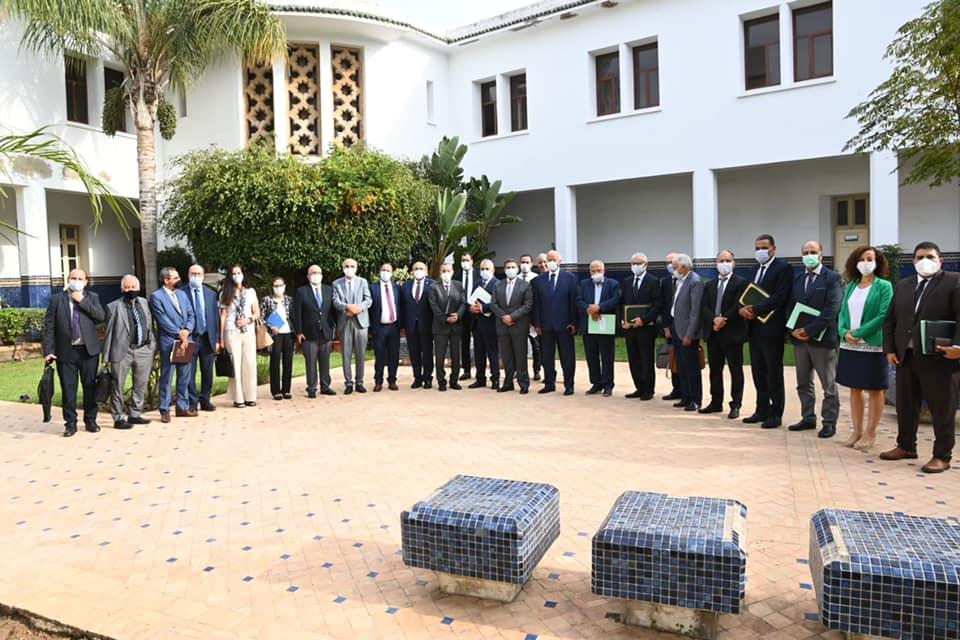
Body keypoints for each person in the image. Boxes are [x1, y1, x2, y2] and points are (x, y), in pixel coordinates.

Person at [881, 241, 960, 474]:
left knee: (942, 408)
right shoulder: (904, 285)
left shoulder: (953, 282)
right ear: (913, 261)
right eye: (920, 257)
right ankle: (906, 446)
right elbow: (890, 320)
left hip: (940, 358)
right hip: (906, 356)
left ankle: (942, 455)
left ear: (940, 260)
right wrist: (890, 349)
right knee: (906, 405)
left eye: (930, 256)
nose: (925, 260)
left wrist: (958, 346)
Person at [836, 246, 893, 450]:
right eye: (861, 259)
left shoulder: (884, 286)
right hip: (850, 345)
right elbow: (842, 312)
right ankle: (857, 430)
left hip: (873, 344)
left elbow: (883, 314)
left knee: (875, 389)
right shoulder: (851, 285)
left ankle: (871, 433)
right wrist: (844, 332)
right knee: (855, 388)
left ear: (877, 262)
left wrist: (858, 334)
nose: (865, 262)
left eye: (869, 259)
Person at [787, 241, 843, 439]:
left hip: (823, 340)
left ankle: (829, 422)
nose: (808, 255)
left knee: (828, 385)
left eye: (813, 252)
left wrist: (810, 330)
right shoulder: (798, 279)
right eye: (805, 252)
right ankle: (808, 417)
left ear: (821, 254)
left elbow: (832, 309)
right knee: (803, 382)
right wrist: (792, 330)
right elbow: (790, 306)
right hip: (800, 341)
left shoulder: (833, 278)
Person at [43, 268, 106, 437]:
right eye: (73, 278)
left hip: (88, 351)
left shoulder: (92, 297)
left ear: (86, 281)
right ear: (68, 280)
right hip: (66, 352)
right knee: (69, 389)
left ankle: (91, 420)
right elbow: (49, 327)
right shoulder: (57, 299)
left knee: (90, 387)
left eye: (80, 278)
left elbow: (100, 316)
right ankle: (70, 423)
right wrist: (48, 351)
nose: (76, 280)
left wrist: (82, 301)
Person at [739, 234, 793, 428]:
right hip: (754, 328)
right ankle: (761, 409)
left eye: (764, 247)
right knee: (758, 371)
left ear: (773, 249)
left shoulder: (783, 268)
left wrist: (755, 309)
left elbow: (780, 296)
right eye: (757, 248)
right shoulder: (754, 269)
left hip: (772, 328)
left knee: (773, 371)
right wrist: (743, 309)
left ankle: (776, 412)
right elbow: (748, 294)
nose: (760, 251)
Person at [699, 251, 748, 419]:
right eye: (721, 260)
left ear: (734, 263)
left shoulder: (741, 283)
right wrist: (714, 319)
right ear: (716, 263)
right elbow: (704, 306)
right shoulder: (710, 285)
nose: (724, 263)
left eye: (728, 260)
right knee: (715, 370)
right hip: (714, 333)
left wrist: (723, 319)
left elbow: (739, 304)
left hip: (732, 332)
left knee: (736, 370)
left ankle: (735, 404)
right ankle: (716, 401)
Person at [102, 275, 154, 430]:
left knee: (141, 384)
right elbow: (109, 333)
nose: (130, 290)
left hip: (144, 349)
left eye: (133, 287)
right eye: (127, 287)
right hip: (122, 351)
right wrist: (106, 357)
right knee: (117, 385)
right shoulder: (113, 307)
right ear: (122, 289)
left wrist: (152, 346)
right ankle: (118, 417)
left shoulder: (144, 303)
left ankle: (135, 414)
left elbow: (149, 325)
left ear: (138, 288)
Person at [149, 267, 195, 423]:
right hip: (169, 341)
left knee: (184, 376)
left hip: (186, 341)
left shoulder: (182, 294)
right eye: (175, 277)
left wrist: (187, 331)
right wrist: (178, 334)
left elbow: (190, 314)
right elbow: (162, 320)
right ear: (166, 280)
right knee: (167, 376)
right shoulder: (156, 297)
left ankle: (182, 407)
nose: (179, 279)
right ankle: (165, 409)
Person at [532, 249, 578, 395]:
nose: (551, 262)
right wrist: (537, 324)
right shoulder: (538, 281)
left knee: (567, 356)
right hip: (545, 326)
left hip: (565, 325)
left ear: (559, 261)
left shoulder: (570, 278)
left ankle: (569, 385)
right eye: (548, 259)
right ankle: (549, 383)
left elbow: (573, 302)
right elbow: (536, 304)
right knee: (547, 356)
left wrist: (574, 322)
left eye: (553, 259)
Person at [620, 252, 662, 400]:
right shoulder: (626, 281)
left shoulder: (653, 281)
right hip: (630, 329)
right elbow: (622, 303)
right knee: (633, 358)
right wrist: (623, 321)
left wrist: (644, 320)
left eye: (639, 263)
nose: (635, 266)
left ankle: (648, 389)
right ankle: (639, 387)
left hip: (646, 328)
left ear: (646, 265)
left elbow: (657, 305)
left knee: (646, 359)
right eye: (633, 263)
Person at [577, 260, 620, 396]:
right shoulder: (584, 284)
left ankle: (608, 384)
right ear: (590, 272)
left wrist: (600, 307)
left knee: (607, 356)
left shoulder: (613, 284)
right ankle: (596, 383)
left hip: (605, 324)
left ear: (604, 270)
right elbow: (578, 300)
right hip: (589, 324)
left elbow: (615, 300)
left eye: (598, 270)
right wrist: (588, 308)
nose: (596, 273)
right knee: (591, 356)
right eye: (593, 271)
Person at [219, 264, 260, 408]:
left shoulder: (250, 292)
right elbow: (223, 316)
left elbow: (256, 313)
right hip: (231, 331)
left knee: (249, 363)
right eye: (234, 273)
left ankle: (250, 396)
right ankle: (238, 398)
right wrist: (221, 338)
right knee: (235, 364)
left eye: (239, 272)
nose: (237, 275)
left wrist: (248, 320)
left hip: (248, 330)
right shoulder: (225, 294)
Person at [293, 265, 336, 398]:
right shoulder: (301, 292)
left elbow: (332, 312)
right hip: (308, 333)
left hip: (325, 332)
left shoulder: (329, 290)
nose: (316, 275)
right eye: (313, 273)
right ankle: (311, 388)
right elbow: (297, 313)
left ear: (322, 275)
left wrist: (333, 328)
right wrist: (299, 331)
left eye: (318, 273)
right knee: (311, 362)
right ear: (308, 276)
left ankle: (325, 386)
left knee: (325, 361)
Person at [492, 259, 534, 394]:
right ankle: (508, 382)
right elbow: (494, 304)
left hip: (518, 325)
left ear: (517, 269)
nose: (510, 269)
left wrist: (513, 317)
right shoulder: (498, 285)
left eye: (513, 267)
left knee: (520, 355)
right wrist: (504, 316)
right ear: (504, 270)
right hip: (502, 326)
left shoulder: (525, 285)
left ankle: (523, 383)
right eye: (508, 267)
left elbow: (528, 304)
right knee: (506, 356)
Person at [332, 258, 372, 394]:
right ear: (343, 268)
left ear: (356, 268)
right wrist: (347, 307)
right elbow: (335, 301)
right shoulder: (336, 283)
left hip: (361, 322)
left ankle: (359, 382)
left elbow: (368, 300)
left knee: (360, 354)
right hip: (345, 321)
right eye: (347, 266)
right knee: (346, 354)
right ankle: (348, 383)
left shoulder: (363, 282)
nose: (349, 268)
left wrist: (358, 308)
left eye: (352, 266)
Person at [670, 254, 704, 411]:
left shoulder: (695, 281)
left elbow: (695, 312)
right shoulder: (679, 280)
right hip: (677, 329)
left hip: (687, 332)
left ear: (684, 267)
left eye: (675, 266)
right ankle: (685, 396)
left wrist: (689, 335)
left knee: (691, 368)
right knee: (681, 367)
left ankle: (695, 399)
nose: (673, 269)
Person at [185, 264, 219, 412]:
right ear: (188, 275)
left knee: (207, 371)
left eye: (199, 274)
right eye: (193, 274)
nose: (196, 276)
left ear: (203, 276)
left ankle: (205, 399)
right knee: (189, 372)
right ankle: (192, 402)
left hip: (207, 338)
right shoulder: (181, 293)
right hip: (190, 338)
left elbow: (215, 318)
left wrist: (217, 339)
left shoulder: (211, 294)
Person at [429, 262, 467, 391]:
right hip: (440, 327)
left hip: (456, 326)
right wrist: (445, 319)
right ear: (440, 273)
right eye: (443, 271)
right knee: (440, 356)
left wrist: (458, 315)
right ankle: (441, 381)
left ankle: (454, 380)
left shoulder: (459, 285)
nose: (446, 273)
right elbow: (434, 307)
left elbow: (463, 303)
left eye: (448, 271)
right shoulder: (434, 287)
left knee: (456, 356)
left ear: (452, 272)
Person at [400, 262, 434, 389]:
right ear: (412, 271)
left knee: (427, 352)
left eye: (421, 268)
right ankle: (417, 378)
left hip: (426, 324)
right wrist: (402, 325)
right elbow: (402, 306)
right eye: (416, 268)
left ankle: (428, 378)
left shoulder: (432, 284)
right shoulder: (406, 285)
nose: (418, 270)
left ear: (426, 271)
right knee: (414, 353)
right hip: (410, 325)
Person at [261, 276, 294, 400]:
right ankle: (276, 391)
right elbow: (262, 317)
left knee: (288, 361)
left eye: (280, 285)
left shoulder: (289, 300)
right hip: (275, 335)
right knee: (275, 361)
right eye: (276, 286)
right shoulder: (267, 300)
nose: (278, 288)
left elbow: (293, 316)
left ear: (284, 286)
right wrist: (271, 326)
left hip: (288, 333)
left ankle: (286, 389)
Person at [369, 263, 401, 392]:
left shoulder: (397, 288)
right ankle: (378, 381)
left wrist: (402, 326)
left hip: (394, 327)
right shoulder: (372, 288)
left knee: (394, 355)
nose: (385, 272)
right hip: (379, 327)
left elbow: (401, 307)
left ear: (392, 273)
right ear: (379, 272)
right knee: (379, 355)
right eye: (383, 270)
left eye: (388, 270)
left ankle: (392, 380)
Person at [469, 259, 500, 389]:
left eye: (487, 269)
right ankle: (480, 379)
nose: (484, 271)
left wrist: (482, 308)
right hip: (477, 324)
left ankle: (495, 379)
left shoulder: (497, 284)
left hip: (491, 324)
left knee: (492, 353)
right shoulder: (476, 284)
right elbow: (471, 300)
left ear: (492, 270)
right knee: (479, 353)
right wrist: (471, 308)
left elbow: (497, 303)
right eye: (482, 269)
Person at [660, 252, 682, 401]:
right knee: (673, 357)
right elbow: (663, 306)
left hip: (684, 327)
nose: (670, 266)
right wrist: (666, 327)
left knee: (684, 360)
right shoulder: (665, 282)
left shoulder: (687, 280)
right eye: (667, 263)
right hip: (670, 326)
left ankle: (686, 390)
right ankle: (676, 388)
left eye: (672, 263)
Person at [457, 252, 481, 381]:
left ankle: (479, 371)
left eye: (467, 260)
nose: (464, 262)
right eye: (462, 260)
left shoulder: (478, 274)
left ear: (472, 261)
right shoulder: (457, 275)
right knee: (464, 342)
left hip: (476, 312)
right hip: (462, 312)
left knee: (478, 342)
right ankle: (466, 370)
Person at [519, 254, 542, 381]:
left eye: (527, 262)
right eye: (522, 262)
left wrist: (533, 320)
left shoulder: (537, 279)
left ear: (532, 264)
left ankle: (537, 370)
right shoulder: (516, 278)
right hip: (519, 318)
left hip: (533, 319)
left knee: (536, 347)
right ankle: (520, 371)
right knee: (520, 347)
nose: (524, 264)